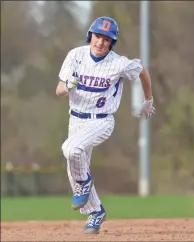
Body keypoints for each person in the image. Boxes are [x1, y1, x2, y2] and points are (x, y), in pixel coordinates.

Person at [55, 16, 155, 234]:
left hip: (101, 120)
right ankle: (96, 212)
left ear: (112, 43)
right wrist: (68, 86)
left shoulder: (118, 63)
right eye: (98, 36)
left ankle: (85, 181)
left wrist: (148, 99)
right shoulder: (75, 55)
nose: (100, 42)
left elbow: (141, 70)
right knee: (74, 170)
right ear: (90, 36)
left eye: (106, 39)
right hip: (76, 119)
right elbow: (59, 91)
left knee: (71, 149)